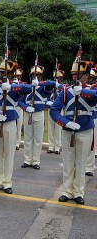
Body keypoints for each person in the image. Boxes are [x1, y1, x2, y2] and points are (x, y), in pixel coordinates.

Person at [49, 59, 97, 205]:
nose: (75, 77)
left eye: (80, 74)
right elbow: (54, 110)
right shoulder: (65, 91)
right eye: (74, 74)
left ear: (87, 76)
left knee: (81, 163)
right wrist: (66, 122)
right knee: (68, 162)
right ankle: (67, 191)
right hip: (69, 131)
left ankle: (78, 192)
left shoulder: (92, 89)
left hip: (84, 130)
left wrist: (82, 91)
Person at [0, 60, 32, 194]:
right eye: (2, 72)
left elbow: (28, 89)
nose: (3, 75)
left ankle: (7, 183)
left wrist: (11, 87)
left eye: (6, 73)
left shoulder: (15, 86)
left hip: (9, 122)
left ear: (11, 74)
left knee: (9, 154)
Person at [18, 64, 55, 170]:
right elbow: (20, 101)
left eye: (38, 75)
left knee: (37, 139)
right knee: (28, 138)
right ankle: (27, 160)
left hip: (39, 113)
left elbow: (53, 84)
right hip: (28, 114)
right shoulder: (27, 87)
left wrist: (40, 83)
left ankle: (35, 161)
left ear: (41, 76)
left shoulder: (44, 87)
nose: (36, 76)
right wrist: (25, 107)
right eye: (34, 75)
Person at [46, 68, 65, 154]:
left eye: (59, 78)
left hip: (58, 110)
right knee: (50, 128)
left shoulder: (63, 87)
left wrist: (57, 86)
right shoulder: (51, 87)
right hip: (50, 108)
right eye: (56, 78)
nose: (57, 79)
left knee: (58, 129)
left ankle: (57, 147)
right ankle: (51, 146)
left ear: (61, 79)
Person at [84, 68, 97, 177]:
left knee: (92, 144)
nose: (90, 80)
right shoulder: (85, 87)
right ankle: (82, 166)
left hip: (94, 117)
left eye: (92, 78)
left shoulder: (94, 88)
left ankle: (89, 167)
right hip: (85, 117)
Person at [12, 68, 24, 150]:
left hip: (19, 107)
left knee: (18, 125)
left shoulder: (22, 84)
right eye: (16, 76)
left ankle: (17, 143)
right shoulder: (11, 84)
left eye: (19, 76)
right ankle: (12, 142)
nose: (18, 77)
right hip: (12, 106)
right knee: (12, 125)